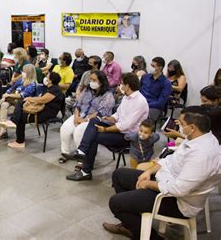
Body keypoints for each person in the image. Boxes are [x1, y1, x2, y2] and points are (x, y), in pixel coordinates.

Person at [103, 106, 220, 239]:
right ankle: (132, 224)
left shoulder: (202, 155)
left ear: (192, 127)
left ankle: (153, 237)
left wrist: (148, 184)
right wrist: (149, 171)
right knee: (119, 175)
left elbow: (178, 189)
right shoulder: (195, 137)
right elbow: (170, 160)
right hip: (165, 181)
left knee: (115, 203)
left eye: (181, 124)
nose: (178, 126)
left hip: (176, 201)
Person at [66, 73, 149, 181]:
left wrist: (106, 129)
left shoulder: (139, 101)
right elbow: (118, 114)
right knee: (95, 120)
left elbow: (126, 125)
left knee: (93, 137)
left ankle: (85, 170)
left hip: (127, 136)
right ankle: (82, 151)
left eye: (122, 83)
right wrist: (110, 118)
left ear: (128, 86)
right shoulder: (126, 98)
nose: (120, 85)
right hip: (118, 127)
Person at [59, 70, 115, 163]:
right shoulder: (87, 90)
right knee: (65, 129)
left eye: (94, 80)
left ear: (101, 81)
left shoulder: (108, 95)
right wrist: (76, 116)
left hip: (95, 120)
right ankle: (65, 153)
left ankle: (81, 161)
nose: (91, 82)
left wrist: (84, 120)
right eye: (90, 80)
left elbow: (101, 112)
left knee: (78, 132)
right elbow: (78, 104)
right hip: (80, 115)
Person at [1, 72, 64, 148]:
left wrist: (30, 99)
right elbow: (39, 99)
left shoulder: (55, 90)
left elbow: (42, 100)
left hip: (47, 113)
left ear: (51, 80)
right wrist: (30, 100)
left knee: (20, 117)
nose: (45, 78)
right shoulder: (48, 88)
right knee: (21, 105)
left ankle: (19, 140)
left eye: (47, 77)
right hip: (41, 109)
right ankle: (14, 123)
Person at [0, 64, 37, 140]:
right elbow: (11, 88)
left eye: (24, 71)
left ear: (28, 73)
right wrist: (6, 93)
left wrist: (8, 96)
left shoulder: (32, 84)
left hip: (23, 105)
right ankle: (3, 130)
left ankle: (4, 130)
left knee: (2, 110)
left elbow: (22, 95)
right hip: (14, 102)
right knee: (4, 105)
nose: (22, 73)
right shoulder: (20, 80)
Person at [140, 57, 172, 121]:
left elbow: (161, 103)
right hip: (140, 103)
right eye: (151, 65)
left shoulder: (166, 83)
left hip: (153, 107)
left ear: (160, 68)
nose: (151, 68)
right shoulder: (145, 77)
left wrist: (145, 105)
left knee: (145, 118)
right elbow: (137, 90)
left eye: (153, 66)